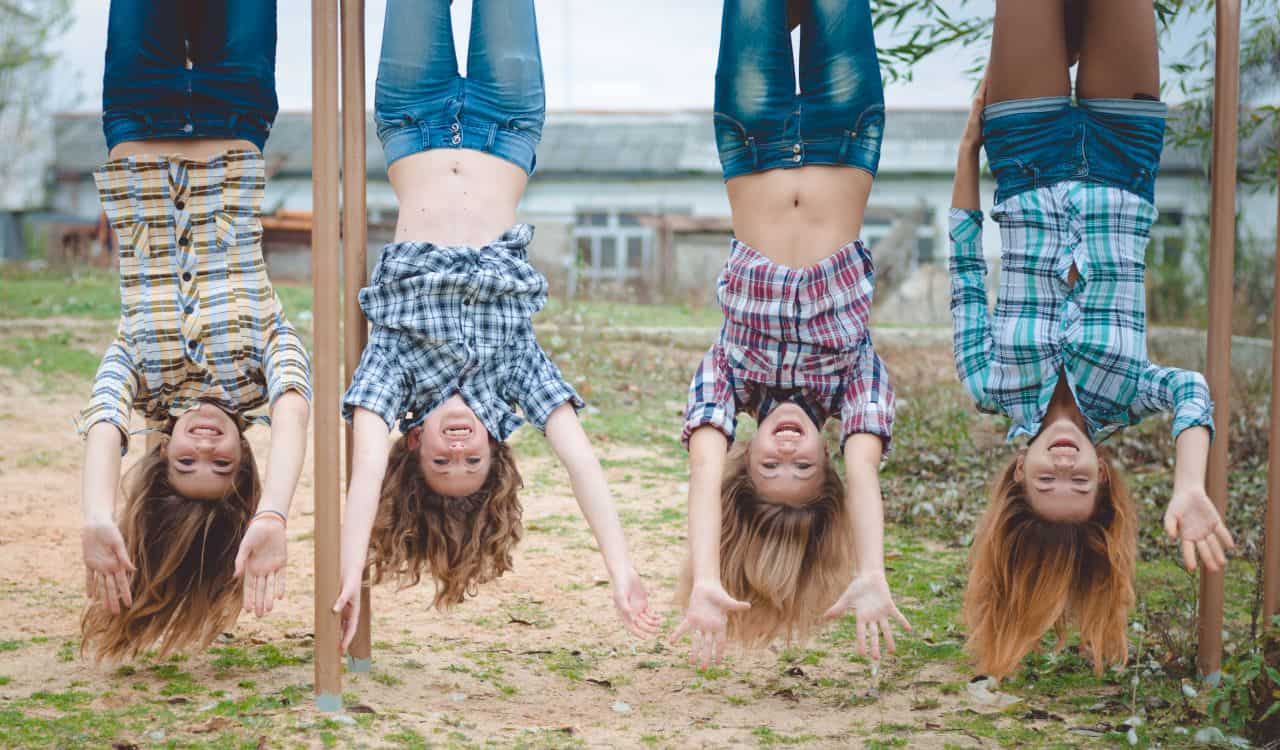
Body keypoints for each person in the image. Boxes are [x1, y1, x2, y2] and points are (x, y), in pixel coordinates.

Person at [332, 0, 659, 649]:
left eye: (442, 459)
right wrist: (620, 568)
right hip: (506, 123)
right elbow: (581, 462)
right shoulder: (514, 369)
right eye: (472, 459)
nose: (458, 444)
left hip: (412, 116)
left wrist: (347, 573)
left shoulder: (391, 374)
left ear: (416, 443)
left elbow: (365, 470)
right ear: (495, 452)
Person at [949, 0, 1235, 678]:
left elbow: (963, 265)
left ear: (1018, 474)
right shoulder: (1131, 397)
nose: (1066, 464)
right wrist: (1189, 484)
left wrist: (968, 149)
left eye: (1049, 479)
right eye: (1079, 482)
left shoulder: (990, 384)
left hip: (1023, 153)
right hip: (1124, 155)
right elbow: (1191, 392)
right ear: (1104, 478)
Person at [674, 0, 910, 668]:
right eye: (802, 467)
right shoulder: (854, 382)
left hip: (750, 138)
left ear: (742, 461)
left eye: (768, 467)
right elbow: (865, 469)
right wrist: (871, 568)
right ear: (825, 463)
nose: (784, 450)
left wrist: (708, 576)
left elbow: (700, 466)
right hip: (847, 130)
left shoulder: (728, 376)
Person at [79, 0, 312, 661]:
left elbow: (103, 427)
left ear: (158, 461)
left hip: (137, 107)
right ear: (245, 460)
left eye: (187, 463)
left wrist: (99, 515)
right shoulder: (265, 369)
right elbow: (295, 417)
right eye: (223, 463)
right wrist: (273, 515)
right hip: (234, 109)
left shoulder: (138, 373)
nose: (206, 445)